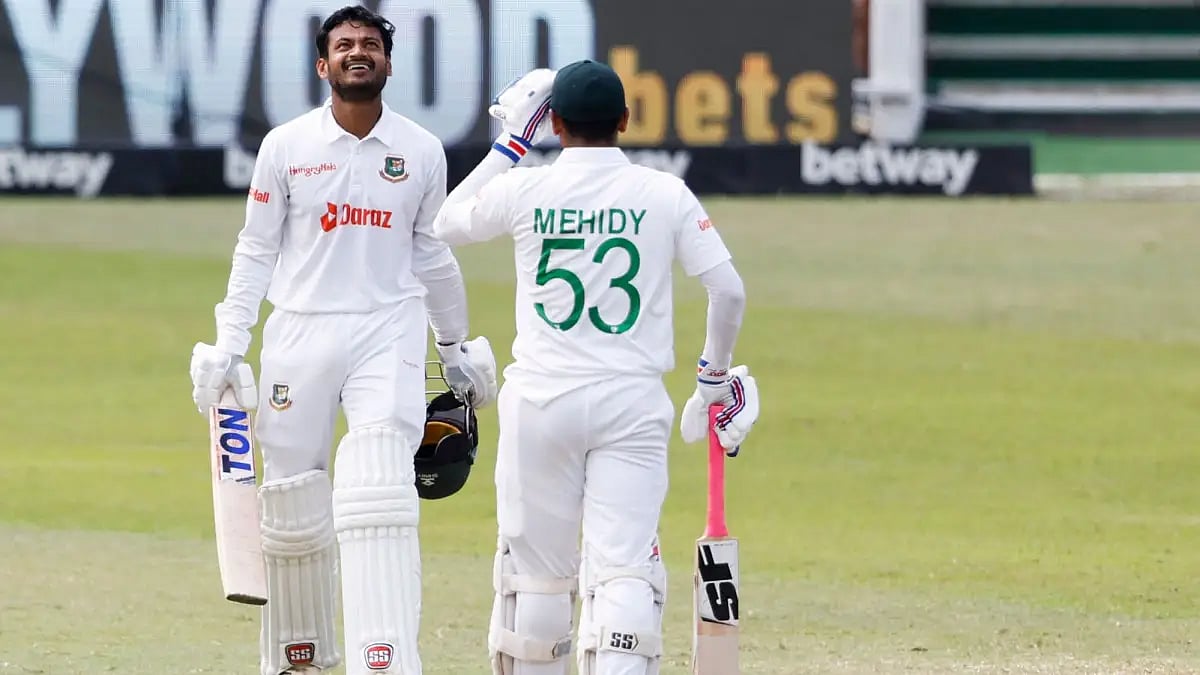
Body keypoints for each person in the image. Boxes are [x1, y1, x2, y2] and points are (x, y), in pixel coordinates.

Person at [187, 6, 497, 674]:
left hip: (388, 327)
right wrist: (228, 342)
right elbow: (255, 249)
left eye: (370, 45)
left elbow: (433, 256)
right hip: (300, 330)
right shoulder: (286, 147)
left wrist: (453, 345)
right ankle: (299, 656)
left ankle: (383, 657)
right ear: (323, 65)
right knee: (293, 496)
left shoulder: (419, 150)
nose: (359, 53)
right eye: (344, 45)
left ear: (388, 61)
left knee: (379, 475)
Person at [431, 62, 760, 675]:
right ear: (625, 122)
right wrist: (712, 381)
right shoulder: (665, 193)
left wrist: (511, 145)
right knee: (624, 572)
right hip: (631, 405)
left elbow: (445, 222)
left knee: (536, 581)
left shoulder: (527, 188)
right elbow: (730, 292)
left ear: (554, 123)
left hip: (541, 404)